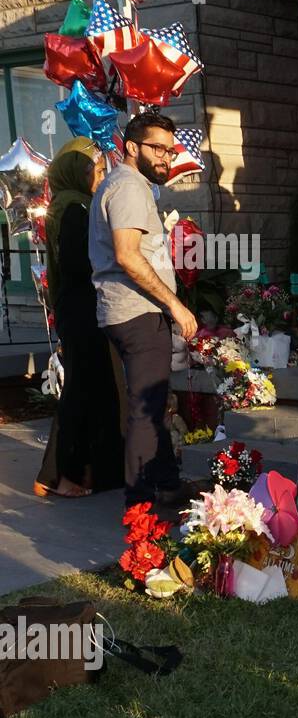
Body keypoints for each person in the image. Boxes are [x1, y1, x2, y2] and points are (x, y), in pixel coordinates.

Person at [89, 112, 198, 514]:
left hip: (132, 311)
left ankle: (167, 486)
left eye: (170, 150)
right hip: (137, 313)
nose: (167, 158)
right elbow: (128, 257)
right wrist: (175, 304)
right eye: (158, 148)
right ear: (132, 147)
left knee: (153, 400)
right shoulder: (129, 188)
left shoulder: (127, 186)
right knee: (146, 408)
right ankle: (139, 508)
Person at [33, 137, 125, 498]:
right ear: (77, 172)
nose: (100, 177)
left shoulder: (72, 204)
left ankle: (95, 471)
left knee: (98, 391)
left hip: (82, 309)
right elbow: (76, 264)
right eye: (97, 170)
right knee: (80, 391)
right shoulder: (73, 208)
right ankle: (54, 475)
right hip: (82, 309)